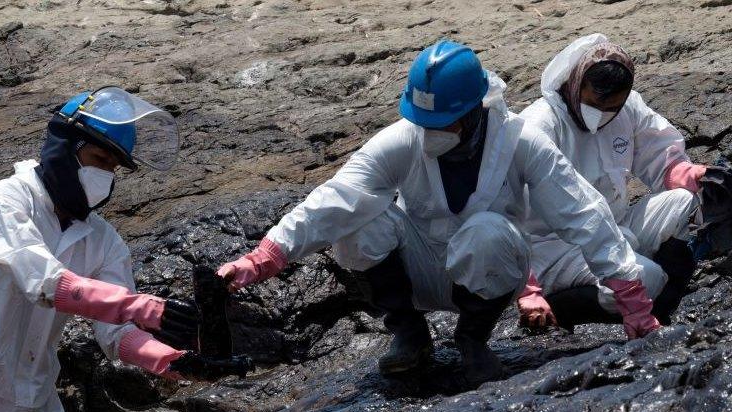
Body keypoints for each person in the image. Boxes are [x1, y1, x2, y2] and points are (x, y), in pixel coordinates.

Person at [217, 40, 660, 384]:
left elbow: (581, 211)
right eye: (423, 120)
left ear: (473, 111)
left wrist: (631, 296)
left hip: (486, 273)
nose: (429, 131)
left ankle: (472, 338)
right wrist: (264, 257)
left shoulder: (521, 142)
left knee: (490, 231)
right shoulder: (403, 138)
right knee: (358, 221)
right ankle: (408, 333)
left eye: (442, 122)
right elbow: (335, 198)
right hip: (420, 268)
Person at [0, 87, 217, 412]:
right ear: (64, 146)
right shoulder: (4, 200)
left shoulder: (103, 240)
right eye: (99, 159)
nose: (105, 175)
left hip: (33, 407)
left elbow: (116, 334)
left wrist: (171, 361)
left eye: (114, 167)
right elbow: (42, 280)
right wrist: (142, 306)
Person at [518, 34, 708, 330]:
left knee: (688, 201)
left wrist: (690, 174)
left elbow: (660, 154)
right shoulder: (538, 126)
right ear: (575, 83)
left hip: (615, 229)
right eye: (595, 103)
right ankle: (564, 307)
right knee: (648, 279)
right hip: (555, 249)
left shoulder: (628, 108)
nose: (603, 115)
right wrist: (527, 287)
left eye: (613, 108)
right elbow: (505, 208)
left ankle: (659, 316)